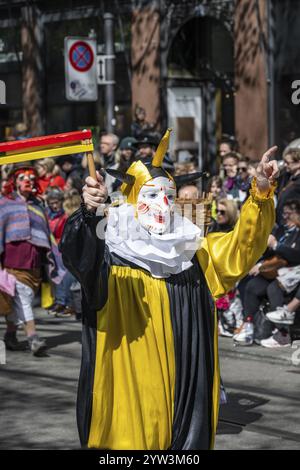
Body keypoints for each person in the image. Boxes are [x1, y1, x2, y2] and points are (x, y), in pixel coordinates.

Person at [60, 129, 278, 450]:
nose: (162, 203)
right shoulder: (112, 250)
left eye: (168, 195)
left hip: (184, 398)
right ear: (133, 198)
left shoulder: (191, 252)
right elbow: (78, 253)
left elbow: (240, 248)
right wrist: (88, 212)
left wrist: (259, 192)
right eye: (151, 194)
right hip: (129, 397)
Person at [0, 165, 63, 355]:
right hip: (12, 261)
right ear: (14, 183)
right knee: (23, 299)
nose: (27, 181)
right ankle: (33, 338)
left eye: (30, 178)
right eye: (22, 178)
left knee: (19, 299)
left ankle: (10, 335)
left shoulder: (38, 206)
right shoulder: (5, 203)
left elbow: (45, 234)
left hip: (34, 263)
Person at [234, 199, 300, 346]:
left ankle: (283, 333)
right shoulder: (281, 230)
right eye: (284, 213)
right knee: (251, 285)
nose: (285, 217)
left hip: (291, 274)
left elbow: (296, 255)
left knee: (273, 288)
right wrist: (261, 261)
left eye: (289, 214)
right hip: (274, 271)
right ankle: (248, 325)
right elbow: (267, 253)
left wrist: (276, 245)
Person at [276, 148, 300, 226]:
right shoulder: (286, 177)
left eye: (287, 162)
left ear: (298, 163)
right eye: (284, 162)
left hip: (294, 223)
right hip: (281, 221)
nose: (285, 165)